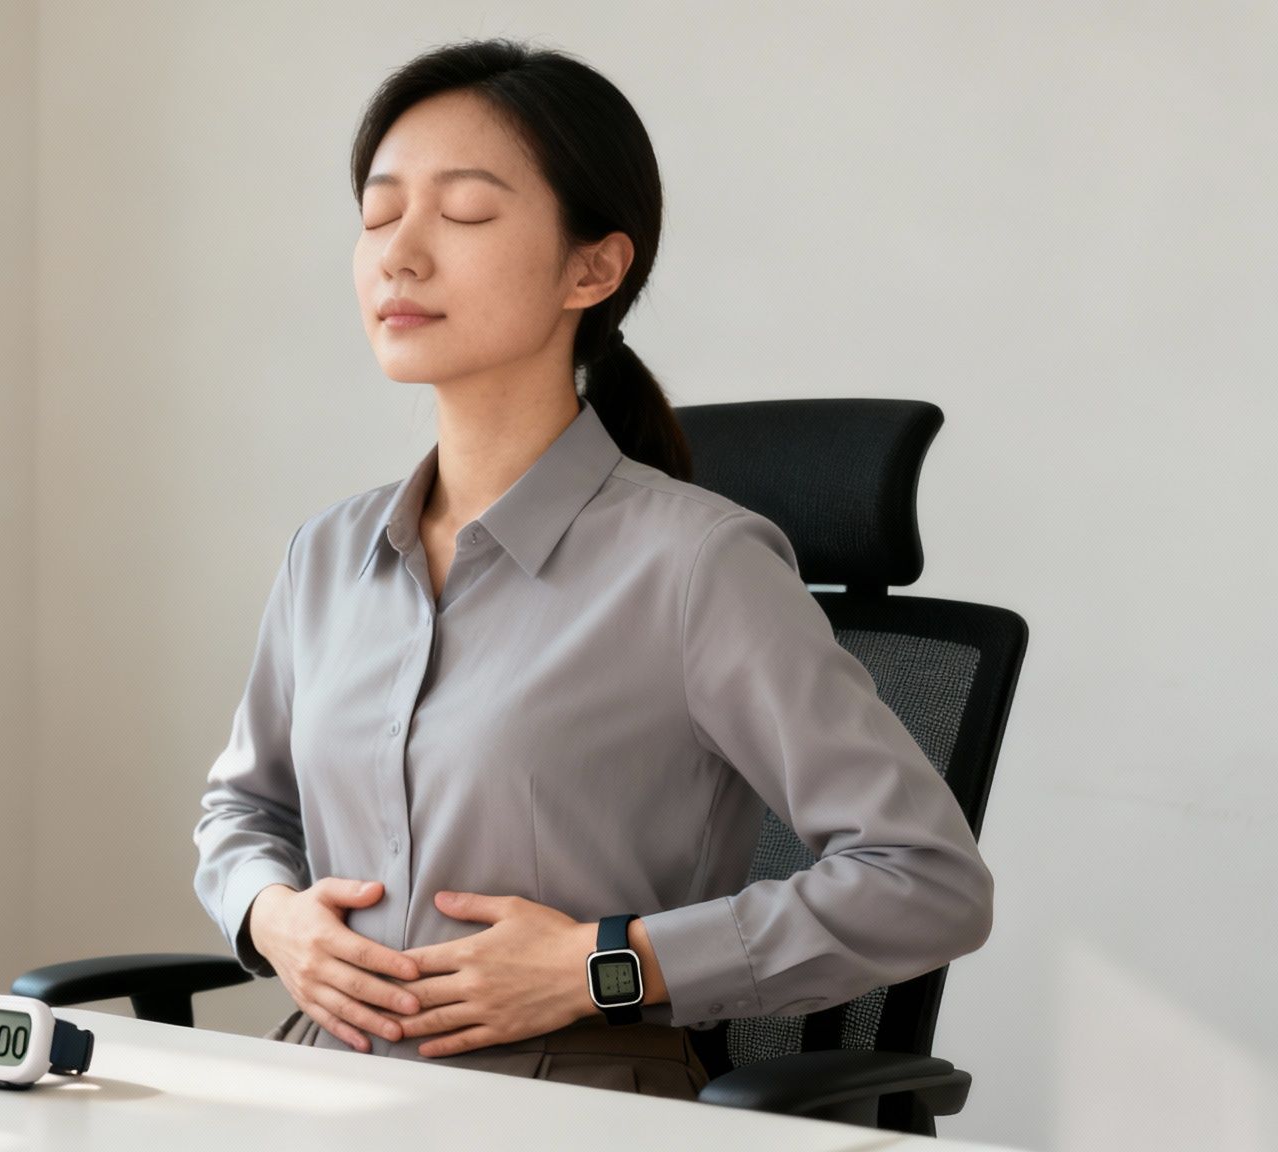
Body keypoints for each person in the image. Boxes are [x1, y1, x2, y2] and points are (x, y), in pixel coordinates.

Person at [190, 37, 996, 1102]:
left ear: (593, 268)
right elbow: (240, 811)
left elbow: (926, 884)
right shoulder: (329, 554)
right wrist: (270, 917)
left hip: (568, 1098)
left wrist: (604, 966)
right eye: (379, 214)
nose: (399, 253)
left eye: (464, 213)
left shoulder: (697, 565)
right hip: (316, 1085)